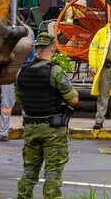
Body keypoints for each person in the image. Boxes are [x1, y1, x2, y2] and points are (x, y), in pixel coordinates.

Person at [15, 32, 79, 199]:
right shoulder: (55, 70)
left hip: (30, 128)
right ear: (52, 49)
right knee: (53, 172)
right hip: (53, 129)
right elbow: (73, 100)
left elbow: (19, 99)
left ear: (36, 48)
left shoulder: (22, 72)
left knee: (29, 171)